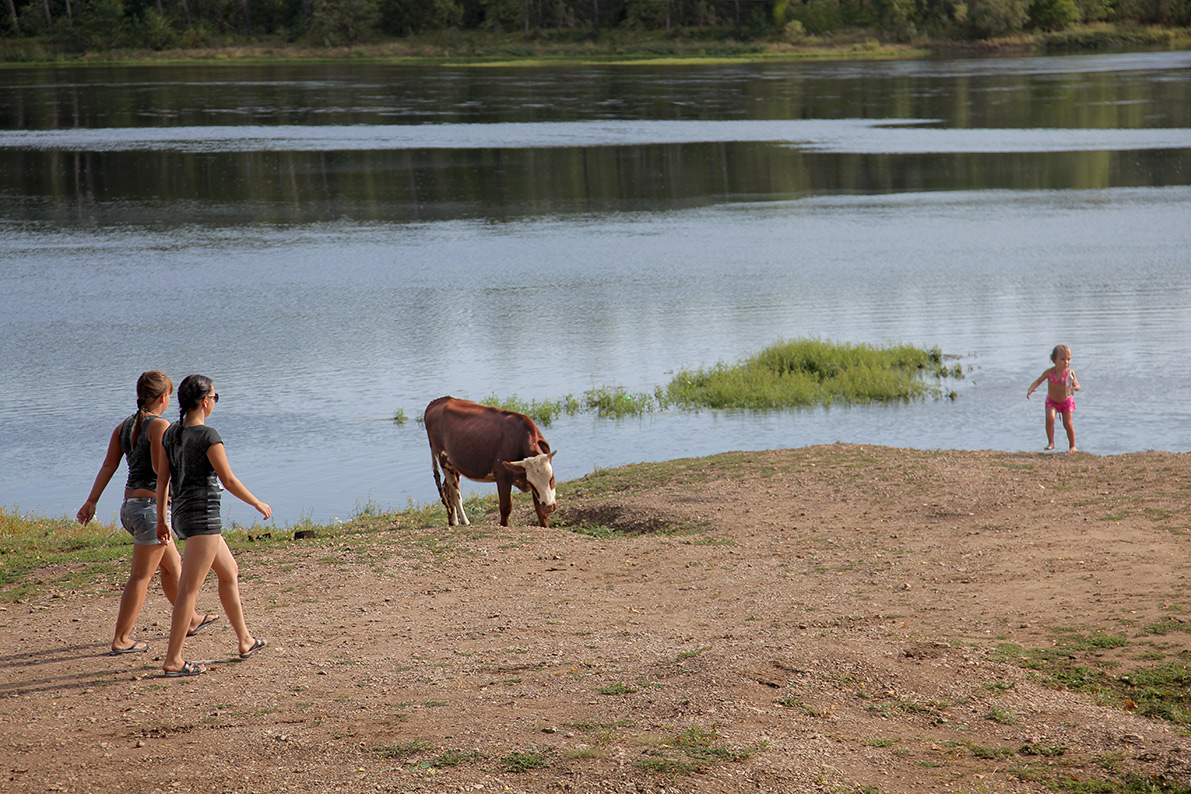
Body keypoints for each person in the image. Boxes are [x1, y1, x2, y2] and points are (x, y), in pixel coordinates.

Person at [77, 371, 217, 656]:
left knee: (172, 566)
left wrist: (92, 501)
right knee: (141, 576)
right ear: (165, 397)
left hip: (131, 508)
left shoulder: (124, 426)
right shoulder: (159, 425)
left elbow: (108, 466)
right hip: (150, 511)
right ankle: (121, 638)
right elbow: (159, 469)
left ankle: (190, 620)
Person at [156, 374, 270, 677]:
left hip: (183, 515)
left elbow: (162, 480)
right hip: (202, 518)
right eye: (215, 397)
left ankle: (245, 639)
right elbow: (228, 480)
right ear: (205, 401)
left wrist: (161, 518)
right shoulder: (207, 435)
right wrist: (257, 503)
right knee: (189, 591)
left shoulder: (170, 434)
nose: (215, 402)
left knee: (229, 572)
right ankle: (173, 660)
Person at [1027, 344, 1081, 452]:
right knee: (1050, 419)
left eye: (1068, 359)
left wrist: (1075, 387)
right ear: (1054, 360)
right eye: (1062, 359)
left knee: (1068, 424)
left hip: (1066, 401)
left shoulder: (1069, 373)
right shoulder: (1050, 372)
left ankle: (1072, 446)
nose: (1066, 362)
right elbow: (1038, 380)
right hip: (1052, 401)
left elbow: (1077, 385)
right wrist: (1031, 389)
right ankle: (1051, 442)